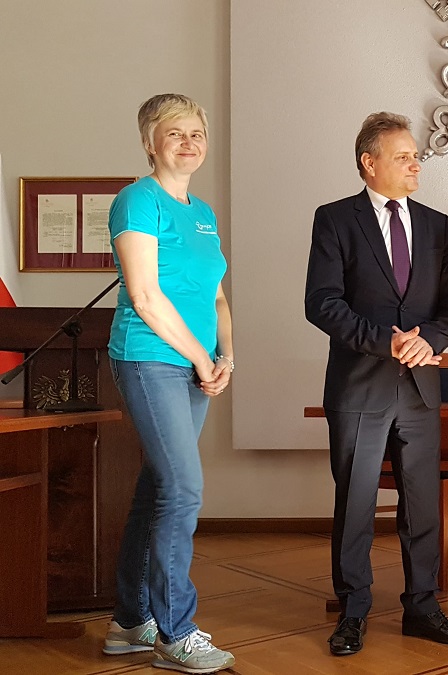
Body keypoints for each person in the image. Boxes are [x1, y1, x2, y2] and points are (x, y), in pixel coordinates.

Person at [304, 112, 448, 656]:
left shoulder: (435, 224)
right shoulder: (335, 219)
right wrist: (387, 341)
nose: (416, 164)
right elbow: (322, 303)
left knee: (421, 504)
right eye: (404, 157)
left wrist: (430, 341)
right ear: (369, 163)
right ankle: (353, 611)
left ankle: (422, 608)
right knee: (355, 503)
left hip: (421, 387)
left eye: (416, 156)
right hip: (359, 385)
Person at [102, 93, 235, 673]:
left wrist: (226, 355)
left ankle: (131, 621)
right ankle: (175, 632)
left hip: (196, 364)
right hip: (150, 357)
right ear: (149, 143)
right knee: (183, 490)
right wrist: (201, 360)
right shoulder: (138, 200)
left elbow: (217, 296)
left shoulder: (202, 212)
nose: (188, 142)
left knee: (159, 487)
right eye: (175, 133)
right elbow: (145, 296)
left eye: (196, 133)